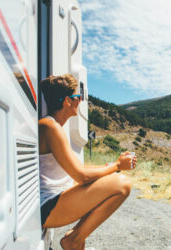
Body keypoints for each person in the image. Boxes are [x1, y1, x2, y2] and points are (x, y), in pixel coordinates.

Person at [38, 74, 137, 250]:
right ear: (68, 101)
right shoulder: (50, 126)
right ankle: (73, 240)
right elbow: (82, 176)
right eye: (78, 97)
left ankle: (76, 239)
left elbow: (79, 171)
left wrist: (112, 166)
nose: (80, 102)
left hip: (56, 201)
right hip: (48, 206)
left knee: (111, 181)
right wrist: (117, 166)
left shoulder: (54, 126)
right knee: (122, 185)